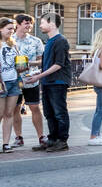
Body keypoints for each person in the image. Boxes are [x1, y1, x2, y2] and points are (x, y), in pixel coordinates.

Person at [29, 12, 71, 152]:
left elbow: (58, 64)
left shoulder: (60, 41)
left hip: (58, 81)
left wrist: (39, 76)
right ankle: (52, 139)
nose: (40, 25)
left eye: (42, 22)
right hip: (48, 81)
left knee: (59, 112)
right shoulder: (49, 41)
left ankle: (62, 141)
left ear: (52, 24)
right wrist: (31, 64)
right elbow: (47, 62)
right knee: (49, 113)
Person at [12, 13, 45, 149]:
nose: (29, 26)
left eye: (30, 23)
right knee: (15, 108)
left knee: (35, 107)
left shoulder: (36, 41)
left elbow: (41, 60)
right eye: (26, 23)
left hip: (31, 79)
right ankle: (18, 137)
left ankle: (41, 137)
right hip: (14, 80)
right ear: (18, 24)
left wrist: (29, 63)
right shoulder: (9, 40)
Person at [0, 19, 20, 154]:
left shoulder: (13, 44)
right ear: (0, 29)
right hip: (1, 82)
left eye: (13, 29)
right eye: (9, 28)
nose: (11, 31)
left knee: (9, 113)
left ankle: (6, 144)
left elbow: (18, 62)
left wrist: (23, 66)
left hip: (13, 81)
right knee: (0, 114)